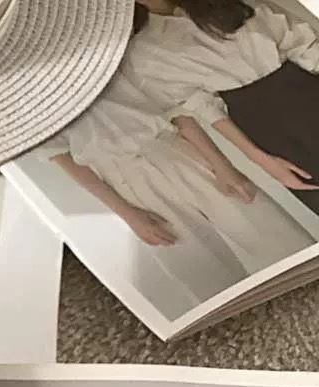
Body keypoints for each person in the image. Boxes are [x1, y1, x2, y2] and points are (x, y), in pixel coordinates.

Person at [45, 64, 313, 313]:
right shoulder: (37, 109)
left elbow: (178, 113)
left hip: (173, 150)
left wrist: (222, 166)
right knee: (204, 275)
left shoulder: (112, 66)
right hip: (127, 183)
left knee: (271, 231)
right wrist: (128, 214)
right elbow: (65, 160)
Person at [122, 0, 319, 205]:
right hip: (268, 128)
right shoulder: (145, 52)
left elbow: (300, 40)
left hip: (306, 88)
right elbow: (205, 108)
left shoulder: (230, 3)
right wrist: (263, 161)